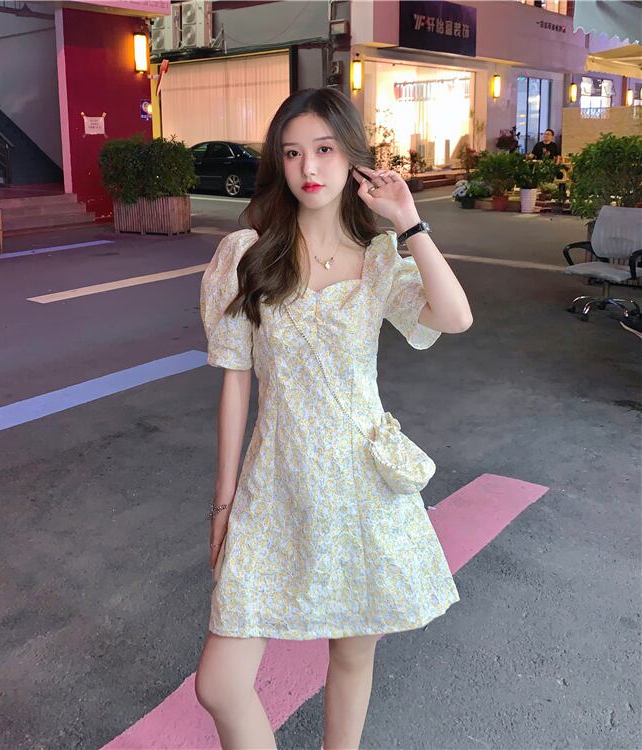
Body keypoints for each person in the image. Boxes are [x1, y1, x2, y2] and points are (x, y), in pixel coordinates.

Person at [194, 87, 473, 750]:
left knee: (352, 654)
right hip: (274, 484)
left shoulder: (378, 260)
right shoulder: (247, 254)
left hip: (360, 485)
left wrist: (408, 222)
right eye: (292, 153)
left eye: (323, 149)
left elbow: (455, 317)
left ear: (352, 158)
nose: (308, 166)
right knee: (220, 685)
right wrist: (224, 503)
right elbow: (236, 382)